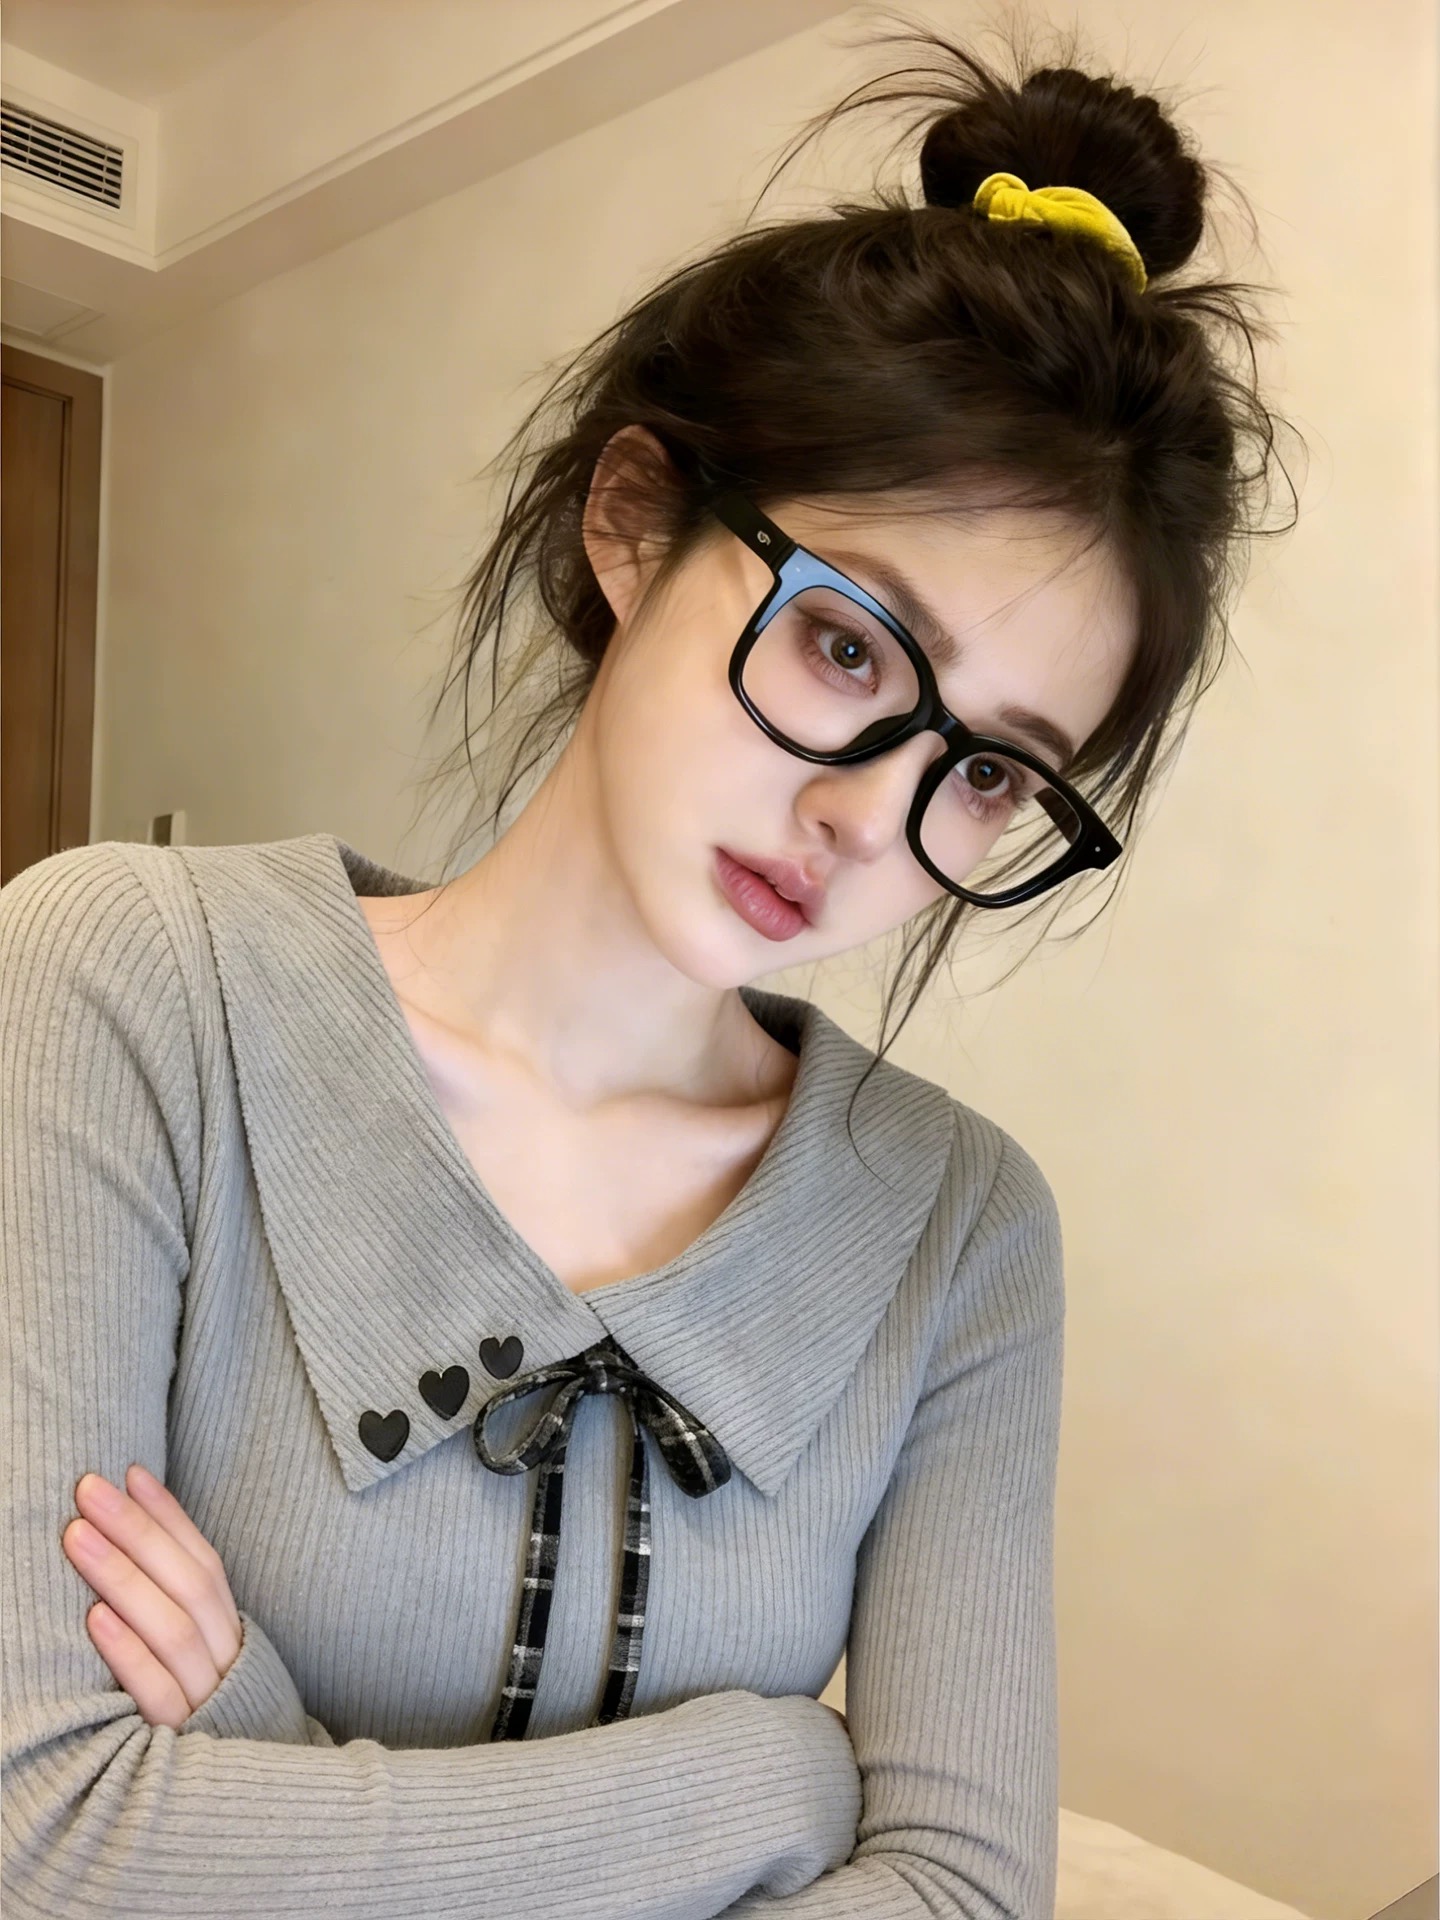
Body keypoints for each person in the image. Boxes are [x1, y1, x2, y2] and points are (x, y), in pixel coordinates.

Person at [0, 24, 1294, 1920]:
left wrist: (254, 1740)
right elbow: (39, 1835)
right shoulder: (127, 987)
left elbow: (958, 1892)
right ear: (633, 524)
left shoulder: (959, 1232)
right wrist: (757, 1782)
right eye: (849, 647)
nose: (865, 818)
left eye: (988, 772)